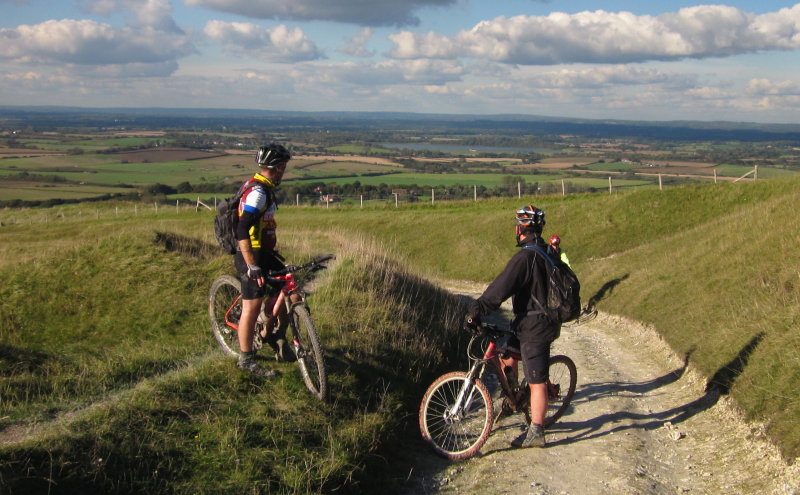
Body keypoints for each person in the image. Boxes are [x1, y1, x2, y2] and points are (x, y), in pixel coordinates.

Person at [465, 205, 560, 448]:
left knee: (536, 381)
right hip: (528, 321)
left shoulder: (525, 257)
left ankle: (537, 432)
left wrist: (477, 309)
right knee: (506, 353)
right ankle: (514, 398)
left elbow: (501, 288)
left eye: (516, 225)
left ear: (521, 229)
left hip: (537, 326)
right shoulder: (547, 251)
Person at [234, 143, 292, 378]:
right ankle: (246, 359)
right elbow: (241, 230)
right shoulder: (258, 193)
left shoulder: (264, 187)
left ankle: (275, 335)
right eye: (284, 167)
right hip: (252, 255)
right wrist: (252, 265)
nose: (285, 171)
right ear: (277, 167)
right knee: (252, 306)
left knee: (291, 290)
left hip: (265, 253)